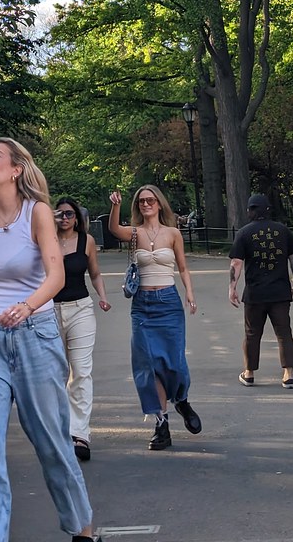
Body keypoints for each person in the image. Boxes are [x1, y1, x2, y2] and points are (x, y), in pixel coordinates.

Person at [0, 138, 101, 542]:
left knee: (53, 445)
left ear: (17, 168)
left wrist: (27, 305)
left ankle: (82, 529)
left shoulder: (37, 212)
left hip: (33, 336)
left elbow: (55, 276)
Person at [109, 186, 201, 451]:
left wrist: (190, 294)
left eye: (150, 200)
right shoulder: (135, 233)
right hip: (142, 306)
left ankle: (181, 400)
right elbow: (115, 230)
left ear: (160, 204)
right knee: (148, 365)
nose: (146, 204)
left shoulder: (173, 234)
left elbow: (182, 266)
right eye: (141, 201)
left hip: (169, 303)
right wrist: (116, 205)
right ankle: (161, 425)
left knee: (175, 363)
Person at [53, 197, 111, 462]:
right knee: (55, 373)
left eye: (70, 214)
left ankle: (80, 435)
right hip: (49, 311)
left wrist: (103, 296)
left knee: (80, 371)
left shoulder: (85, 241)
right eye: (60, 214)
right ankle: (59, 429)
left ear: (77, 218)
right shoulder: (45, 239)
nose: (65, 219)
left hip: (80, 309)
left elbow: (95, 273)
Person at [229, 193, 293, 388]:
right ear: (268, 209)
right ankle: (288, 375)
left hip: (255, 293)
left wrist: (232, 288)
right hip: (280, 292)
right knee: (284, 332)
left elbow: (236, 262)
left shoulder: (244, 233)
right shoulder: (282, 230)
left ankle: (249, 372)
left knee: (252, 333)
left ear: (249, 211)